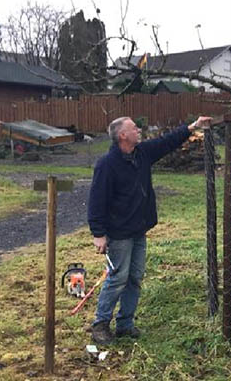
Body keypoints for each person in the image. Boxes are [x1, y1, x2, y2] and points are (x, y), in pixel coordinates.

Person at [87, 115, 212, 344]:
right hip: (118, 232)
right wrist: (98, 234)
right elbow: (96, 200)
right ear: (122, 135)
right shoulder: (107, 164)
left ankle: (125, 324)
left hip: (138, 230)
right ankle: (100, 325)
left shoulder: (142, 154)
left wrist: (192, 127)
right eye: (134, 128)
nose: (139, 130)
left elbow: (167, 142)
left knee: (134, 277)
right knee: (117, 278)